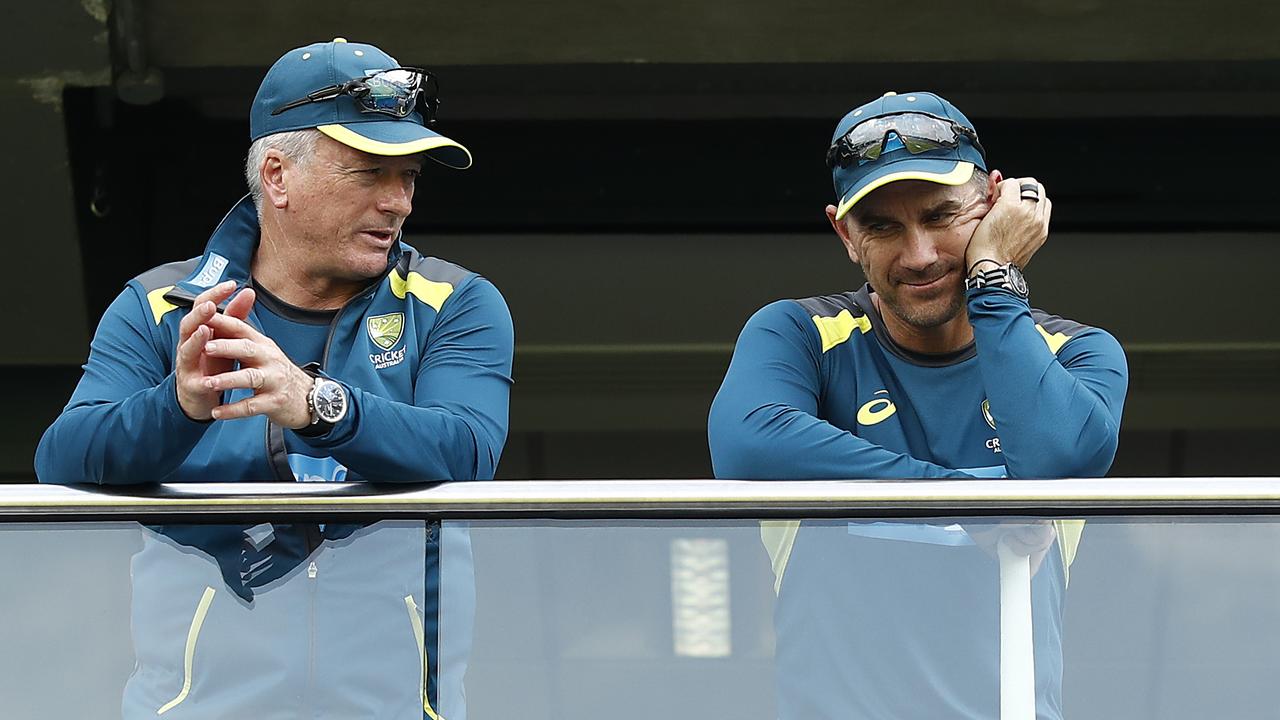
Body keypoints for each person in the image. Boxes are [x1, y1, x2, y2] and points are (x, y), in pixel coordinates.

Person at [35, 38, 512, 718]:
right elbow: (60, 462)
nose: (399, 202)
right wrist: (178, 406)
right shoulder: (157, 304)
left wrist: (315, 404)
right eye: (371, 172)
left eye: (409, 177)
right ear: (279, 177)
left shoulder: (456, 301)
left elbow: (467, 453)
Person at [708, 91, 1128, 719]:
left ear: (992, 202)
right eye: (882, 226)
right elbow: (748, 443)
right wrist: (966, 499)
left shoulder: (1076, 351)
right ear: (844, 235)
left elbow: (1060, 458)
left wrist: (994, 277)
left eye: (941, 216)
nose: (920, 254)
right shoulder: (798, 334)